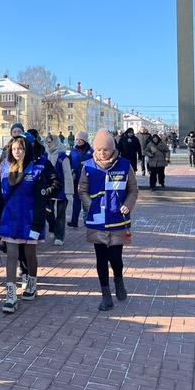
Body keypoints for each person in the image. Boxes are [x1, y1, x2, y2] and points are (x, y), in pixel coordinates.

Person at [0, 135, 61, 313]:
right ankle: (11, 295)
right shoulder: (3, 170)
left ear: (26, 150)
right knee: (11, 254)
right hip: (10, 218)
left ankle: (32, 284)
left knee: (29, 253)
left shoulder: (36, 171)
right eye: (14, 149)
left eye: (20, 148)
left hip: (29, 219)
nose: (17, 152)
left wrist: (37, 226)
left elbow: (39, 201)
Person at [79, 128, 139, 311]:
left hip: (117, 220)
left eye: (105, 149)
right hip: (97, 220)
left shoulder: (124, 165)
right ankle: (106, 296)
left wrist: (128, 205)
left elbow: (133, 190)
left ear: (112, 149)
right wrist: (90, 205)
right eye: (99, 149)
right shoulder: (88, 166)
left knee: (115, 258)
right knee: (100, 259)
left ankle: (119, 282)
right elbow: (82, 189)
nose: (102, 153)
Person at [43, 134, 73, 246]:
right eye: (47, 142)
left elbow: (68, 174)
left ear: (55, 142)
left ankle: (59, 236)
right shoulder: (45, 155)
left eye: (50, 142)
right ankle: (53, 227)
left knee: (61, 214)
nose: (49, 144)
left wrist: (69, 191)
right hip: (49, 189)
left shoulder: (63, 157)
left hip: (61, 189)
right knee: (48, 212)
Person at [67, 131, 93, 228]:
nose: (78, 141)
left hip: (87, 179)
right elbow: (69, 162)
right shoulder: (73, 151)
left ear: (85, 140)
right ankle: (74, 221)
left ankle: (88, 219)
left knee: (86, 199)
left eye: (80, 140)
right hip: (75, 179)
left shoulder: (90, 151)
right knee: (76, 200)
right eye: (77, 139)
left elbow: (95, 163)